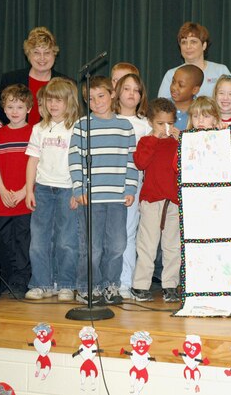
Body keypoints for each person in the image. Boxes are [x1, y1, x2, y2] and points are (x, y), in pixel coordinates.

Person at [69, 76, 138, 305]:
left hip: (117, 198)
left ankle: (111, 286)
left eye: (101, 96)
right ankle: (89, 287)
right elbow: (75, 160)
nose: (96, 102)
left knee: (117, 245)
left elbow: (131, 160)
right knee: (92, 248)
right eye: (90, 98)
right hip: (91, 198)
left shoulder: (125, 127)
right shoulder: (81, 125)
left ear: (112, 94)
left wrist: (130, 187)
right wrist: (78, 189)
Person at [24, 77, 81, 301]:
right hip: (44, 190)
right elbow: (32, 161)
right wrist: (29, 190)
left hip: (68, 189)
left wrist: (78, 190)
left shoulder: (78, 128)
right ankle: (41, 284)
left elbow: (83, 162)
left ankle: (66, 283)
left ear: (70, 102)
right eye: (50, 100)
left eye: (59, 100)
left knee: (67, 239)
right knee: (39, 239)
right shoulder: (39, 129)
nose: (53, 105)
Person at [131, 98, 181, 303]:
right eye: (160, 123)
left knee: (173, 246)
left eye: (169, 123)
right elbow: (140, 163)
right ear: (151, 122)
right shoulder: (145, 141)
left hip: (174, 201)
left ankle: (170, 285)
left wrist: (183, 140)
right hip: (152, 199)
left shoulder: (178, 142)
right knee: (147, 245)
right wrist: (153, 138)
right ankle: (140, 285)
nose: (165, 128)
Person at [0, 84, 34, 298]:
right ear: (3, 110)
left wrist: (25, 190)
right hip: (2, 200)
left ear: (29, 109)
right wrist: (3, 190)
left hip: (25, 199)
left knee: (23, 242)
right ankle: (4, 280)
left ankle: (22, 280)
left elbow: (37, 166)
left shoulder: (34, 132)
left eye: (20, 106)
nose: (15, 111)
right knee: (3, 242)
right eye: (10, 106)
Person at [113, 71, 152, 299]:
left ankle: (124, 282)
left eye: (136, 90)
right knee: (106, 235)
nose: (131, 94)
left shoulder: (145, 125)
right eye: (127, 88)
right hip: (107, 186)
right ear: (117, 92)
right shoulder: (106, 120)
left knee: (128, 234)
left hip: (133, 187)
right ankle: (104, 281)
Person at [0, 27, 69, 126]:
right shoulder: (10, 80)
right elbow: (0, 114)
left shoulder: (67, 83)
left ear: (54, 54)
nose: (42, 58)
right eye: (36, 52)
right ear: (28, 55)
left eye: (47, 52)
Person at [157, 22, 231, 99]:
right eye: (184, 42)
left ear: (204, 45)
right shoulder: (171, 74)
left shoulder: (220, 71)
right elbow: (161, 107)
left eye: (193, 42)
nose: (188, 46)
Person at [168, 64, 204, 130]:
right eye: (173, 82)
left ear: (195, 90)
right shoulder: (162, 107)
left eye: (181, 85)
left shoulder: (203, 109)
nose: (174, 87)